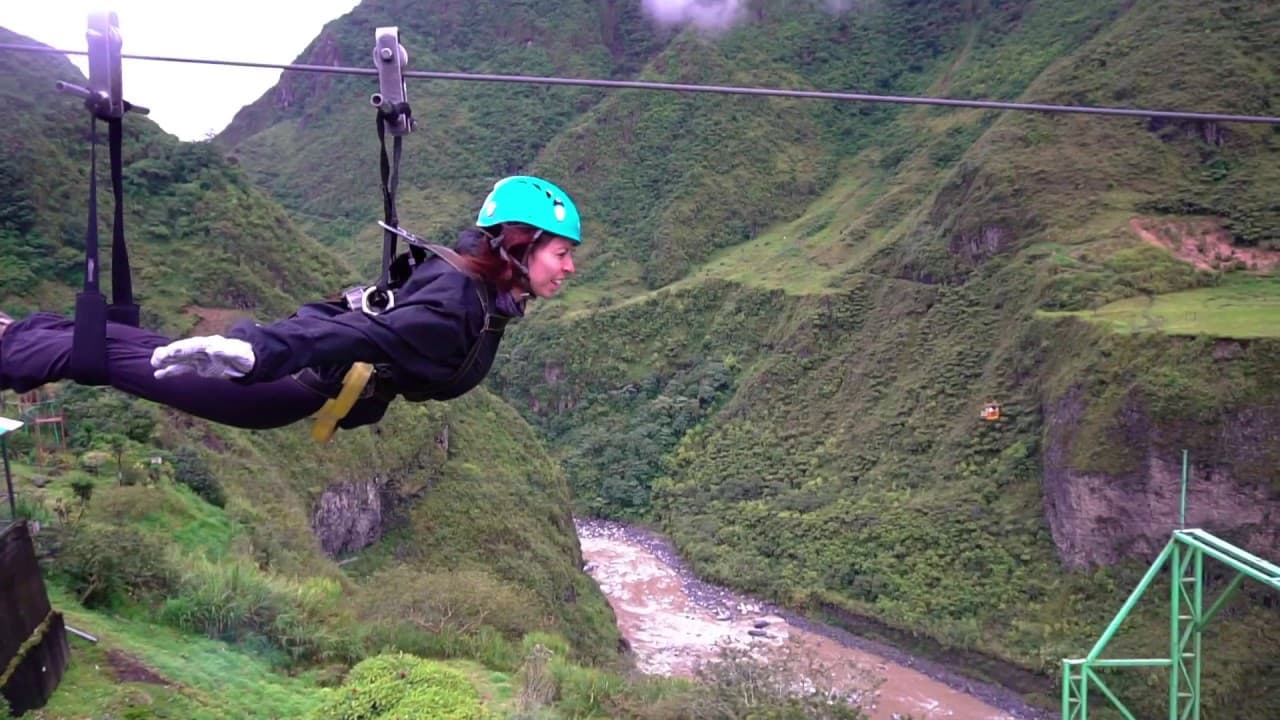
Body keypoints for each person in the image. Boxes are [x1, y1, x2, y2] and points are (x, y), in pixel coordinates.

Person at [0, 175, 580, 433]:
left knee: (113, 346)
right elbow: (357, 337)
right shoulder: (458, 310)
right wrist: (253, 351)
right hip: (275, 385)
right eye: (561, 252)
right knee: (99, 359)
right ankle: (9, 348)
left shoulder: (472, 282)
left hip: (293, 371)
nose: (570, 266)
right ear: (520, 243)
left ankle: (13, 331)